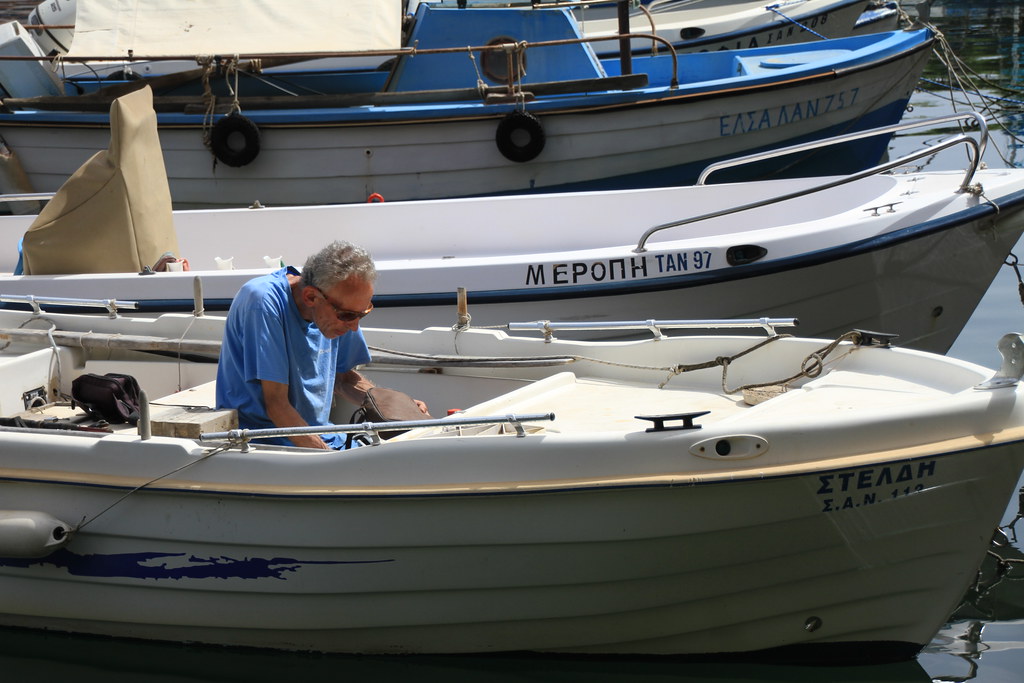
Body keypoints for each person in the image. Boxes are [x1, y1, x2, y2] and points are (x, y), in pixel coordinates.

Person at [215, 240, 426, 449]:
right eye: (348, 315)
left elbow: (343, 379)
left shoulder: (337, 308)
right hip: (265, 443)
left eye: (363, 313)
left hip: (321, 435)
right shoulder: (262, 301)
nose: (354, 327)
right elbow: (276, 404)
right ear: (310, 297)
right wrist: (330, 462)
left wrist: (396, 406)